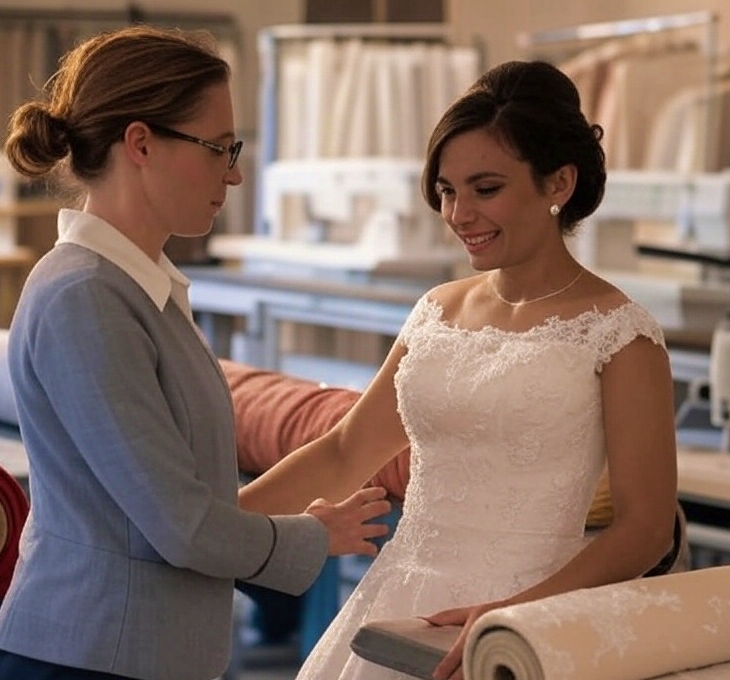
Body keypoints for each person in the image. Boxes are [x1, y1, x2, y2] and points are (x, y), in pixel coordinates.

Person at [237, 59, 679, 680]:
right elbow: (343, 453)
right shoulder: (436, 310)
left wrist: (512, 617)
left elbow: (647, 528)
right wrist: (218, 524)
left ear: (559, 184)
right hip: (399, 597)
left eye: (485, 188)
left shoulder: (620, 335)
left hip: (526, 618)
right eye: (447, 191)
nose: (458, 214)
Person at [0, 25, 390, 680]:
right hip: (88, 659)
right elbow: (180, 527)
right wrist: (315, 537)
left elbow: (186, 503)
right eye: (218, 149)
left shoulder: (140, 290)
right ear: (140, 143)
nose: (231, 174)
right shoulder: (85, 297)